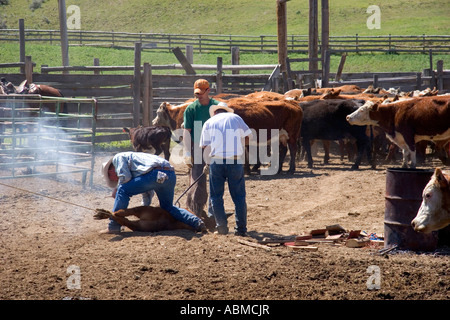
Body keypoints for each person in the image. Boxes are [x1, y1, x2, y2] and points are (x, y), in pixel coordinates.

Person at [101, 151, 206, 234]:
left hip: (154, 174)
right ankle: (196, 222)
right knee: (168, 207)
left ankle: (113, 226)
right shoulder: (138, 162)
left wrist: (117, 189)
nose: (115, 180)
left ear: (110, 171)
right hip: (169, 174)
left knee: (122, 190)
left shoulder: (118, 158)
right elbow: (147, 191)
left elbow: (125, 178)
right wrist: (144, 210)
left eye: (112, 178)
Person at [199, 102, 253, 236]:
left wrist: (207, 163)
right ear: (226, 111)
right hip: (234, 161)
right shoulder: (235, 118)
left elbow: (205, 146)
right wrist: (239, 144)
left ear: (215, 112)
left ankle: (221, 227)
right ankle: (241, 230)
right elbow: (248, 137)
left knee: (216, 197)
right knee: (239, 197)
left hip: (216, 162)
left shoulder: (209, 122)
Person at [183, 79, 221, 218]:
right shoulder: (191, 109)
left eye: (201, 93)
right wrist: (187, 152)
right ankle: (196, 210)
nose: (198, 96)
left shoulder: (217, 107)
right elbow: (187, 131)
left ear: (208, 91)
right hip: (198, 148)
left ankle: (214, 212)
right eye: (196, 93)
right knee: (197, 180)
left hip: (216, 148)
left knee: (216, 179)